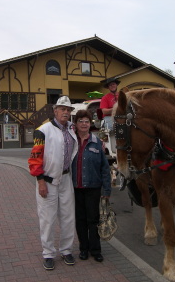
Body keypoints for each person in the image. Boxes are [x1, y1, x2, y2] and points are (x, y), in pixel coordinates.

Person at [28, 96, 78, 271]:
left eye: (68, 110)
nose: (66, 112)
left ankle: (66, 250)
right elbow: (35, 159)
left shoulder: (72, 129)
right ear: (55, 111)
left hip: (66, 179)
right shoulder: (43, 131)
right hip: (47, 180)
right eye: (62, 109)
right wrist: (40, 181)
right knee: (47, 219)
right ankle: (48, 253)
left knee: (68, 216)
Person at [71, 110, 111, 263]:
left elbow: (104, 168)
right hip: (75, 188)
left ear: (90, 124)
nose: (84, 124)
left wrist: (106, 189)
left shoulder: (97, 142)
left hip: (93, 187)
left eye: (86, 121)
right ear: (76, 124)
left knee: (93, 220)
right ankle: (83, 249)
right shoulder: (71, 142)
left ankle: (96, 249)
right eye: (81, 121)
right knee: (80, 220)